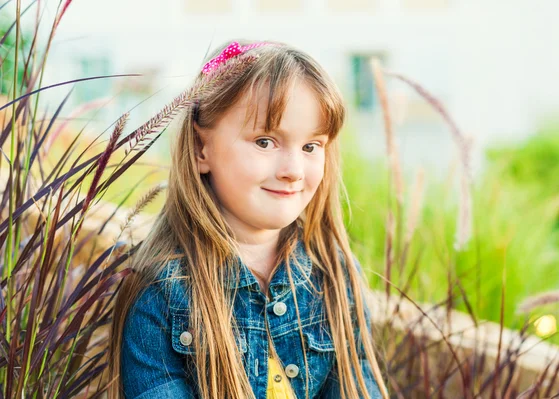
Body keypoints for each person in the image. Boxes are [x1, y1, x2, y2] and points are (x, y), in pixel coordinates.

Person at [107, 39, 389, 399]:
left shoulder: (333, 276)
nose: (293, 170)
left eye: (310, 147)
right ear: (200, 149)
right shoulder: (162, 295)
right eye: (265, 142)